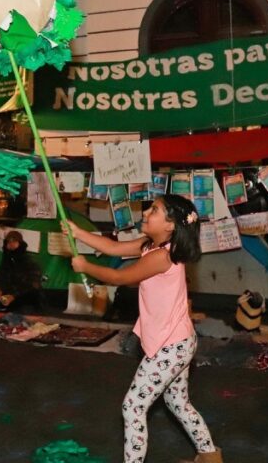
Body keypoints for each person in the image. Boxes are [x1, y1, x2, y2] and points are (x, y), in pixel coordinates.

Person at [65, 195, 221, 463]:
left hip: (170, 346)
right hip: (178, 340)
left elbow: (119, 277)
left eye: (155, 210)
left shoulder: (163, 256)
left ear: (170, 225)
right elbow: (113, 248)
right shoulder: (151, 244)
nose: (146, 212)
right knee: (177, 403)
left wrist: (85, 266)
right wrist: (79, 233)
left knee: (133, 407)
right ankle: (209, 456)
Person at [0, 230, 41, 311]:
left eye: (14, 241)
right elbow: (1, 277)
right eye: (9, 242)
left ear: (20, 243)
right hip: (9, 296)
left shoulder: (28, 260)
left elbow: (32, 284)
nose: (11, 244)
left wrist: (14, 296)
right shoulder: (6, 260)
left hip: (25, 298)